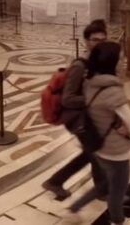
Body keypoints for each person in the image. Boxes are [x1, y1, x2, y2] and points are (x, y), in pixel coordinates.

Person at [64, 41, 130, 225]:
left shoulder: (90, 82)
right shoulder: (113, 91)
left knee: (105, 185)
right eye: (121, 59)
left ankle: (73, 209)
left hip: (97, 145)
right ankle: (118, 221)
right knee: (117, 191)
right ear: (112, 63)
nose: (123, 62)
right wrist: (126, 127)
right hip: (116, 150)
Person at [42, 19, 109, 200]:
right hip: (77, 119)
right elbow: (68, 99)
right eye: (95, 40)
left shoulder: (97, 63)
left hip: (89, 117)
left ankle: (56, 181)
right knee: (95, 152)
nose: (99, 44)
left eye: (103, 40)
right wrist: (93, 99)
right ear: (86, 41)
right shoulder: (80, 66)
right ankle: (101, 191)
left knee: (92, 152)